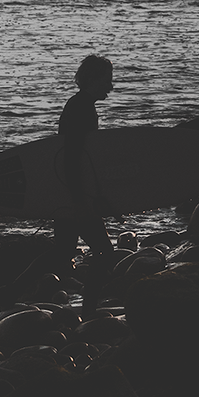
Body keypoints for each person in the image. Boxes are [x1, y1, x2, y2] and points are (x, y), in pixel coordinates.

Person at [57, 54, 118, 260]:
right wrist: (79, 199)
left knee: (63, 253)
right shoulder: (81, 108)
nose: (110, 86)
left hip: (70, 193)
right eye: (106, 80)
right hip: (76, 196)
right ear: (92, 79)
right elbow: (72, 156)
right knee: (105, 253)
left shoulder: (81, 104)